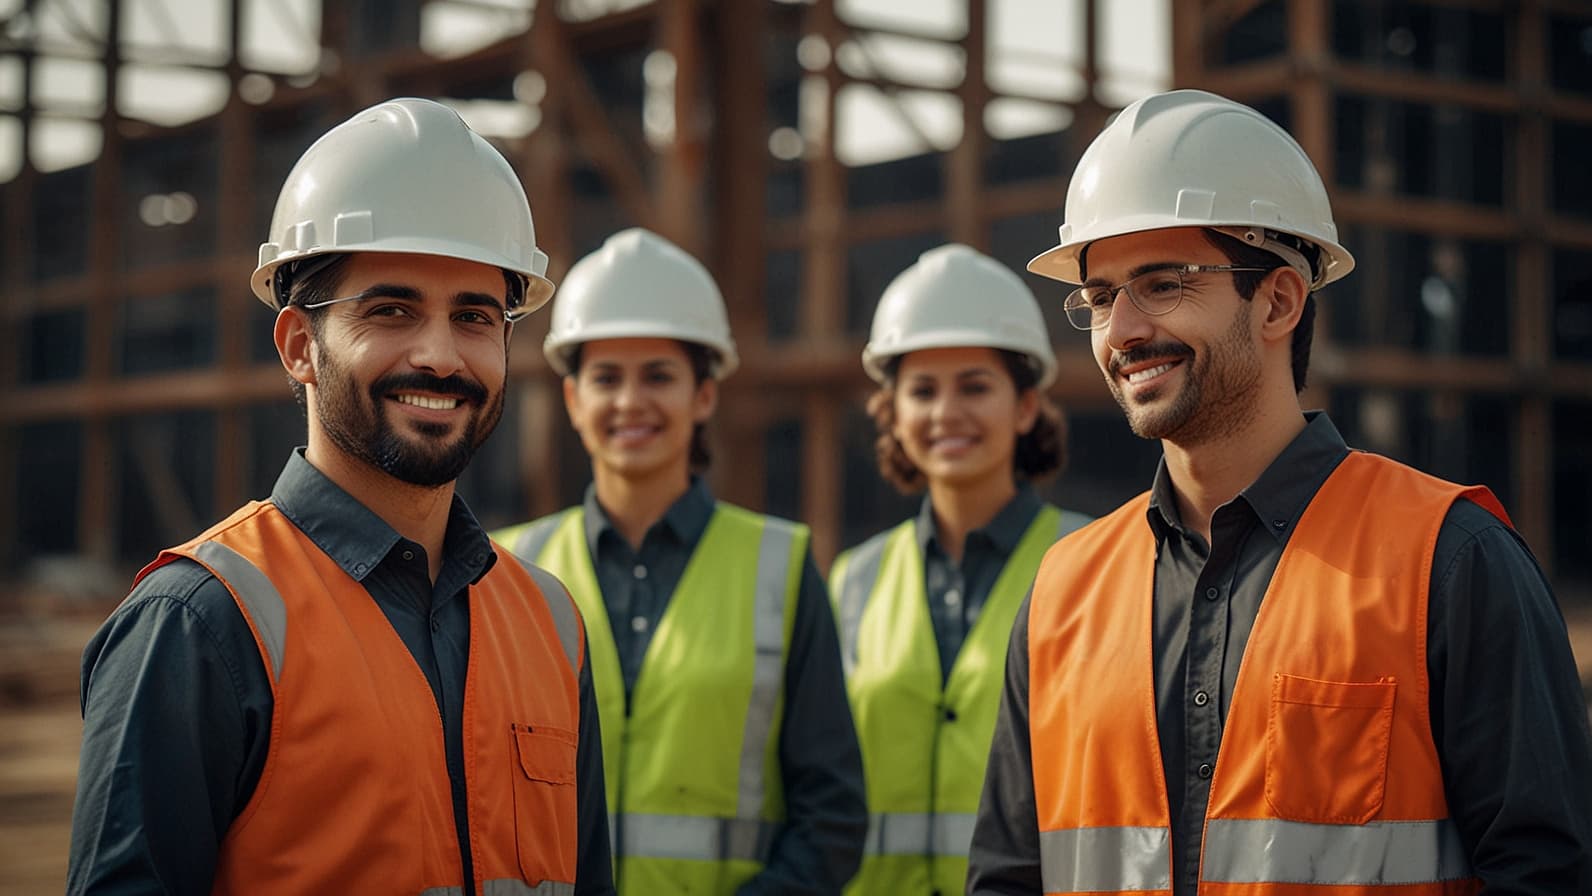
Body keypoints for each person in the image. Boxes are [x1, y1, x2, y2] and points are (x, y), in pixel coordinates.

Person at [967, 89, 1592, 896]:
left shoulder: (1451, 559)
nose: (1120, 331)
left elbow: (1547, 875)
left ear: (1279, 300)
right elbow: (1010, 879)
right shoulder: (1061, 592)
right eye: (1098, 297)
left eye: (1162, 283)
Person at [68, 98, 614, 895]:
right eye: (390, 310)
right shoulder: (197, 625)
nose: (439, 355)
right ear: (299, 346)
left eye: (474, 316)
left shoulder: (551, 624)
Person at [493, 228, 866, 895]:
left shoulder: (780, 565)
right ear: (574, 401)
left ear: (704, 395)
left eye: (658, 376)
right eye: (606, 378)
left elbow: (831, 818)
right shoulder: (510, 570)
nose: (631, 401)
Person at [827, 244, 1090, 896]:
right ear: (892, 412)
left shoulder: (1093, 564)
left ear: (1026, 406)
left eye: (975, 386)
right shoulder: (853, 581)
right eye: (922, 391)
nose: (946, 413)